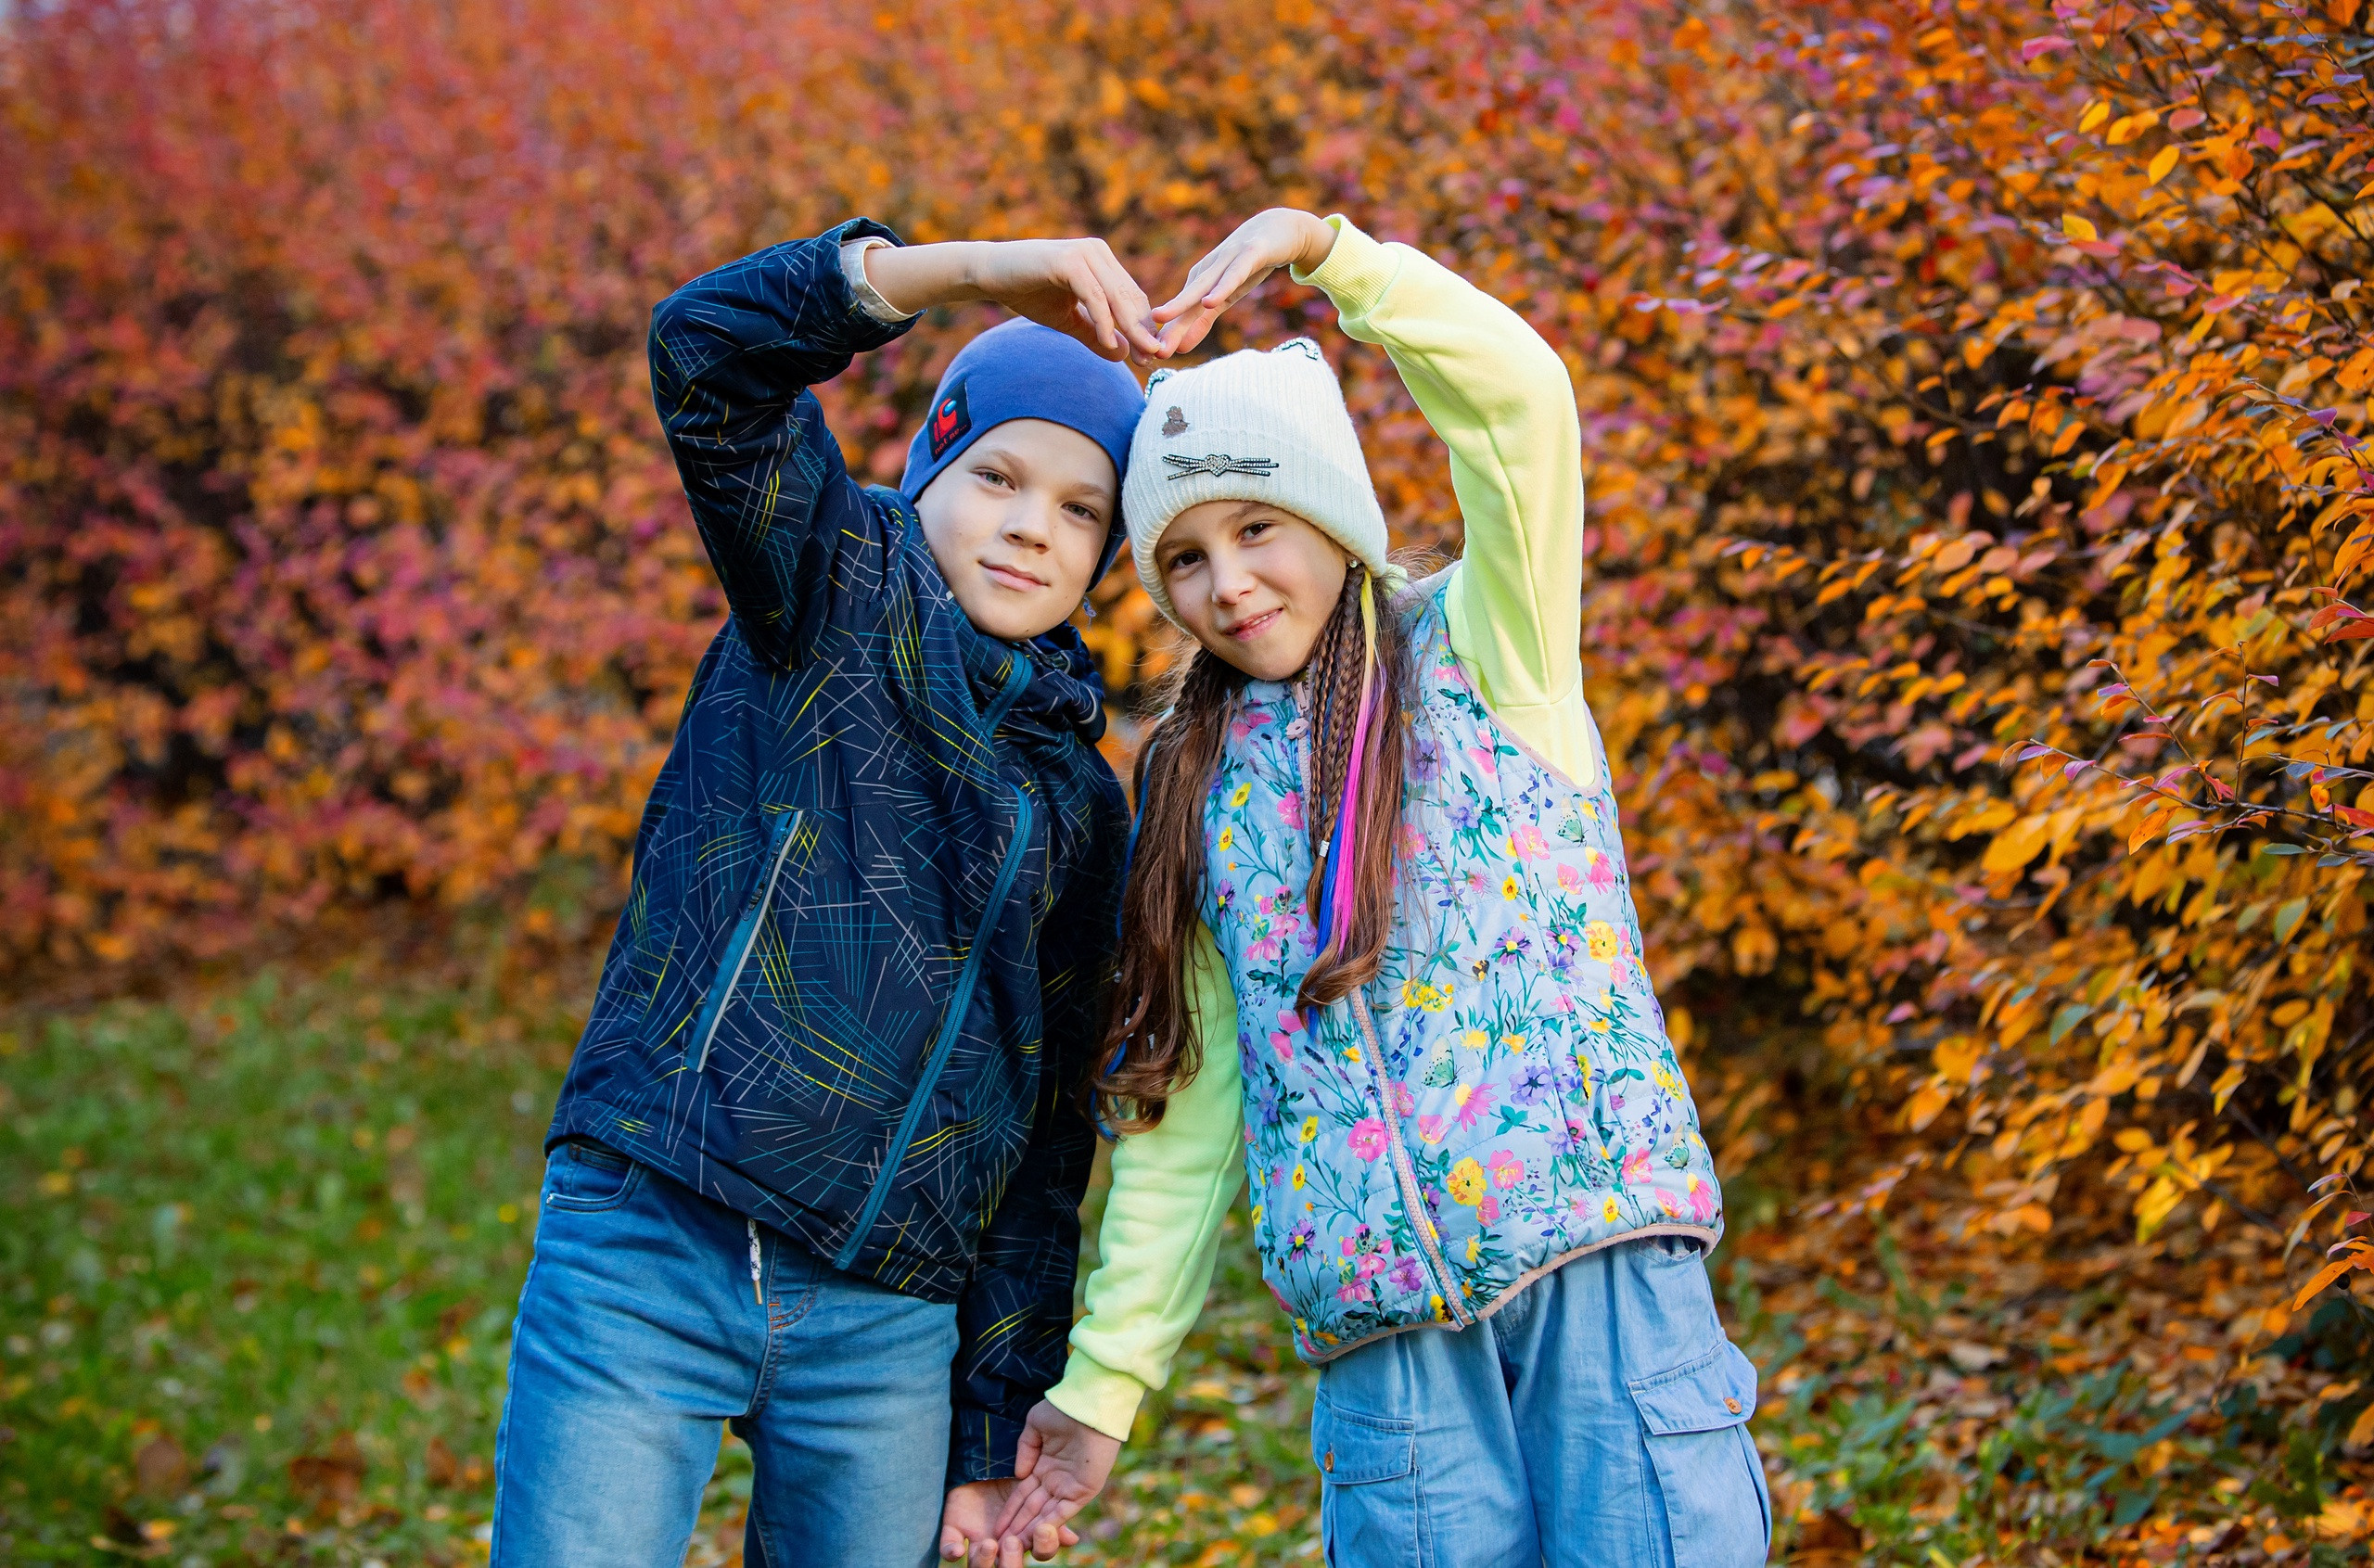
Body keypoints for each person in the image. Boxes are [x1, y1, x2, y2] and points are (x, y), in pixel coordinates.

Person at [989, 209, 1772, 1567]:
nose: (1229, 582)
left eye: (1257, 527)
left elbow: (1523, 406)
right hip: (1386, 1349)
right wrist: (1106, 1382)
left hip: (1596, 1269)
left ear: (1333, 515)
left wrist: (1334, 257)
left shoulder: (1488, 651)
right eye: (1185, 556)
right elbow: (1188, 1107)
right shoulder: (1190, 783)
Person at [490, 218, 1160, 1568]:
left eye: (1081, 508)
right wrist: (966, 271)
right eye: (999, 476)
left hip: (885, 1329)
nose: (1030, 526)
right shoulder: (826, 583)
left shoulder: (1085, 806)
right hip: (656, 1235)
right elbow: (706, 351)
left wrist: (989, 1428)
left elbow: (1044, 1140)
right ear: (932, 469)